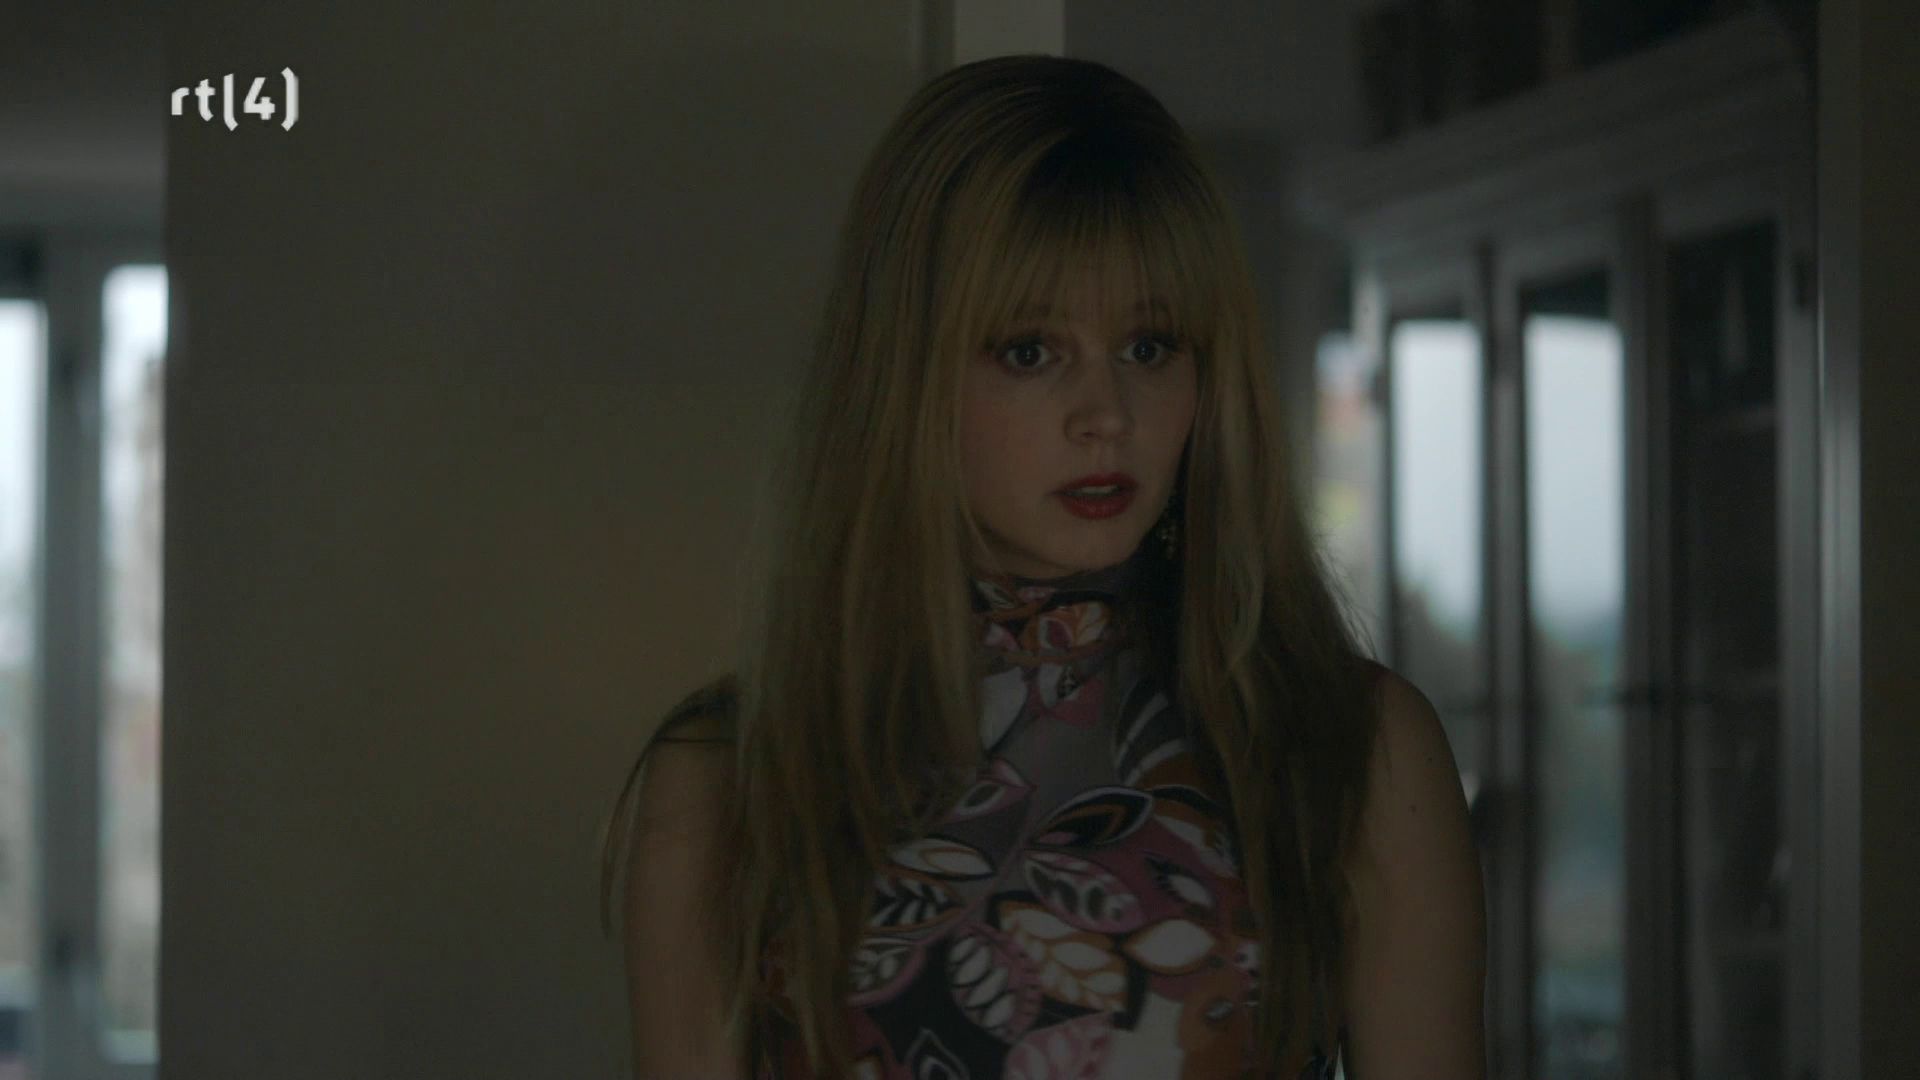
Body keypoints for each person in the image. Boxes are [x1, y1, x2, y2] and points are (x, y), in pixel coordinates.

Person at [599, 54, 1485, 1079]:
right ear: (904, 375)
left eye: (1150, 347)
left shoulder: (1354, 749)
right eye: (1030, 351)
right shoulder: (731, 779)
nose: (1105, 414)